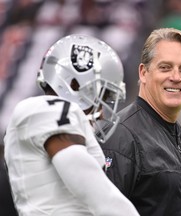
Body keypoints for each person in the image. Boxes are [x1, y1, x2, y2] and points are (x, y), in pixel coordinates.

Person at [4, 34, 139, 216]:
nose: (103, 110)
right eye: (103, 96)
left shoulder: (61, 120)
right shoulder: (41, 109)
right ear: (75, 84)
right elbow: (97, 193)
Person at [98, 28, 181, 216]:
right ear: (143, 73)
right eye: (165, 67)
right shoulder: (121, 134)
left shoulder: (178, 137)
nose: (176, 77)